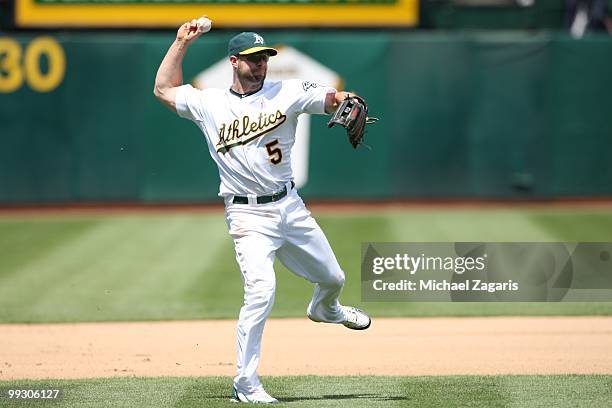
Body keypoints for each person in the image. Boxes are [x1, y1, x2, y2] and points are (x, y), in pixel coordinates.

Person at [153, 18, 371, 404]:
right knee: (261, 291)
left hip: (290, 206)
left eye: (265, 57)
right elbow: (163, 89)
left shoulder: (286, 92)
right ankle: (245, 383)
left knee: (334, 277)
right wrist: (180, 43)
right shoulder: (209, 103)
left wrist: (345, 100)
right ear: (234, 62)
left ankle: (327, 309)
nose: (261, 64)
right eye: (253, 59)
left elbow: (333, 97)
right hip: (247, 217)